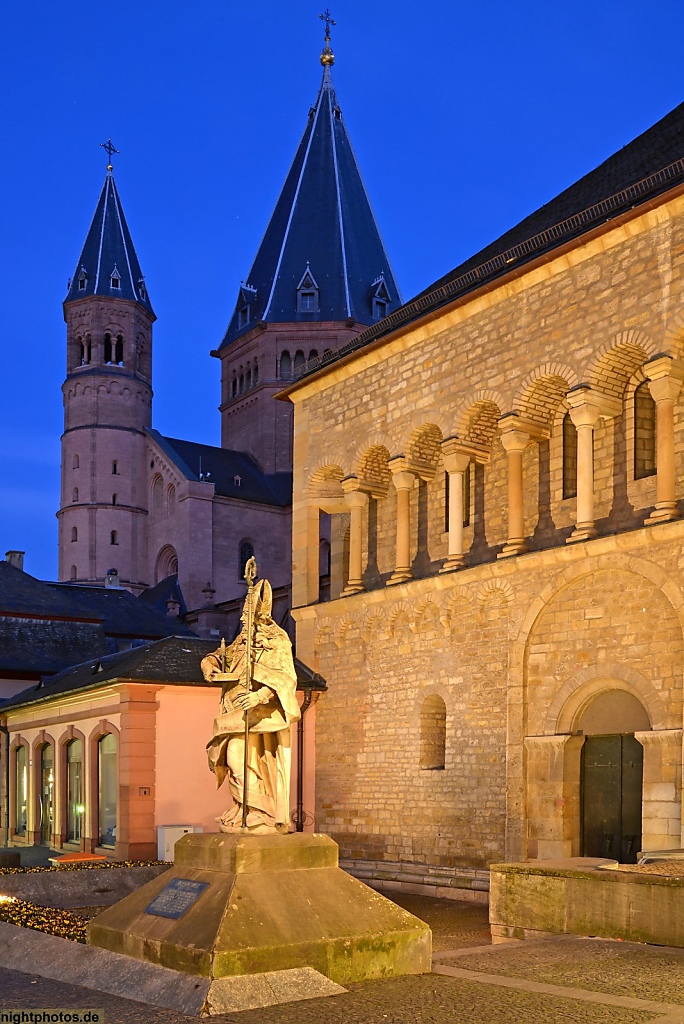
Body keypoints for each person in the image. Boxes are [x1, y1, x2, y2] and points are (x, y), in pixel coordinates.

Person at [201, 575, 300, 833]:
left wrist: (260, 695)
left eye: (247, 614)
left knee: (244, 759)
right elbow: (221, 655)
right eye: (243, 614)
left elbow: (286, 679)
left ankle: (260, 811)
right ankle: (244, 809)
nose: (243, 619)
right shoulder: (243, 641)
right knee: (236, 760)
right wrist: (209, 664)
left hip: (261, 717)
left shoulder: (278, 641)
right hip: (236, 713)